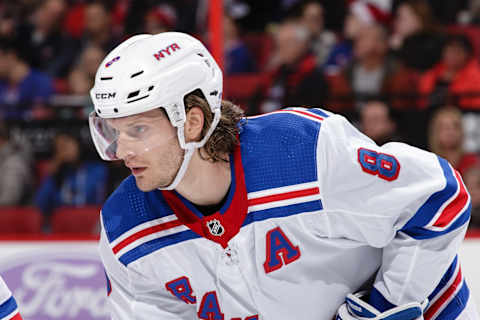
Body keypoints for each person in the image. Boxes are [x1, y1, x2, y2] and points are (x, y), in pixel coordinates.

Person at [91, 32, 478, 319]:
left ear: (192, 122)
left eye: (138, 130)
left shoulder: (304, 152)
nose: (121, 151)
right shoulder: (126, 226)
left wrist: (384, 308)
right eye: (114, 131)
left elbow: (437, 197)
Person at [427, 106, 480, 176]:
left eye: (455, 126)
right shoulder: (428, 163)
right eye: (445, 127)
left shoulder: (473, 164)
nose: (450, 132)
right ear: (435, 132)